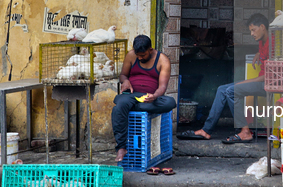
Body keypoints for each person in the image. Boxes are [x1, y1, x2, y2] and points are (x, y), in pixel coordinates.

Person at [177, 13, 269, 144]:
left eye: (253, 30)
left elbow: (267, 77)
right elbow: (264, 54)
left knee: (231, 90)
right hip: (261, 82)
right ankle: (206, 130)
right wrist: (258, 53)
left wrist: (244, 82)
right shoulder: (262, 41)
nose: (252, 34)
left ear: (262, 27)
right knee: (222, 89)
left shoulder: (274, 43)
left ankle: (245, 131)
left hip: (267, 84)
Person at [112, 34, 176, 162]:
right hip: (131, 95)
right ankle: (121, 147)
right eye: (138, 55)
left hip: (149, 98)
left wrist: (154, 96)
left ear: (150, 50)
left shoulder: (163, 60)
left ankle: (130, 107)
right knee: (119, 105)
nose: (140, 58)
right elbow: (123, 75)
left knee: (170, 102)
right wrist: (125, 81)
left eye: (143, 55)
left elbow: (162, 87)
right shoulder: (131, 55)